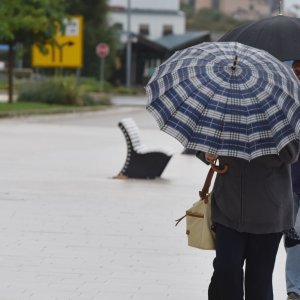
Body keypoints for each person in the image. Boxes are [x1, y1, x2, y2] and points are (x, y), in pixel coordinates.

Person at [196, 139, 300, 300]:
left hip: (269, 213)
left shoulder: (279, 117)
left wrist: (273, 133)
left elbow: (291, 155)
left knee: (260, 281)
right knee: (226, 271)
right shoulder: (226, 113)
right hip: (227, 206)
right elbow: (203, 144)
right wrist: (207, 153)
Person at [285, 60, 300, 300]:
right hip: (288, 181)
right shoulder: (283, 98)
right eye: (296, 67)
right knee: (292, 239)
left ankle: (294, 289)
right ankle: (294, 289)